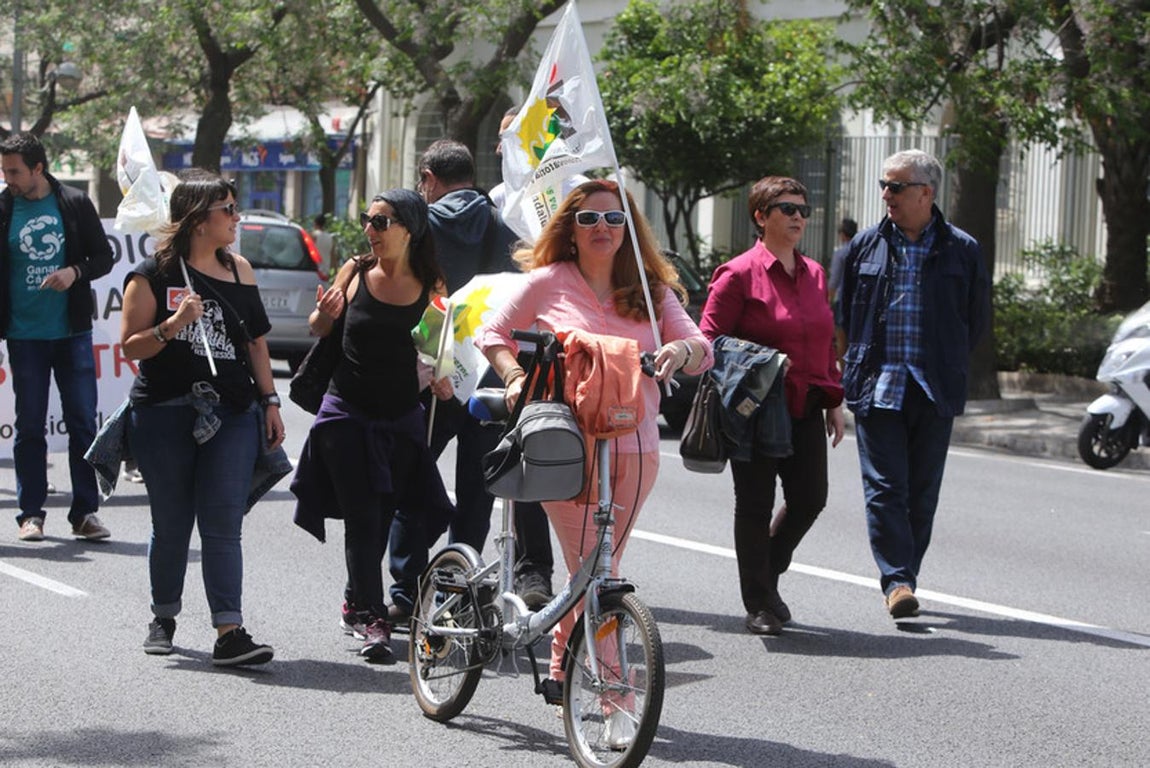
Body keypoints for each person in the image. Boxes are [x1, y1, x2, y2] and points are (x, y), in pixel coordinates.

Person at [476, 178, 712, 714]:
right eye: (589, 220)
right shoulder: (546, 281)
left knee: (598, 566)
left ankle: (562, 660)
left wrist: (678, 350)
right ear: (571, 229)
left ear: (629, 229)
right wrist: (513, 377)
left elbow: (702, 348)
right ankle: (615, 701)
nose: (602, 229)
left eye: (614, 219)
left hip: (634, 447)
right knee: (593, 566)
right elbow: (492, 332)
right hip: (563, 445)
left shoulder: (653, 292)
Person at [120, 170, 285, 665]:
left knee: (222, 523)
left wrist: (271, 400)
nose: (237, 218)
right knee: (171, 523)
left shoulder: (239, 270)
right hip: (165, 411)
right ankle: (164, 614)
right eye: (228, 210)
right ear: (197, 220)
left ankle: (229, 632)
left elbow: (256, 342)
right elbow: (131, 345)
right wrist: (172, 325)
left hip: (232, 410)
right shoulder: (151, 275)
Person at [389, 138, 554, 619]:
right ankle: (458, 592)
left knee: (413, 481)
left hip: (433, 372)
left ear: (428, 179)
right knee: (479, 491)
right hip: (493, 374)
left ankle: (404, 593)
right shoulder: (508, 227)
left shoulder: (419, 227)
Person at [291, 189, 455, 664]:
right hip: (347, 414)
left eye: (382, 222)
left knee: (387, 518)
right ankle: (372, 617)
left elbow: (436, 352)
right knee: (363, 519)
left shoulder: (432, 286)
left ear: (411, 229)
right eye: (369, 220)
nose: (371, 230)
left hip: (402, 417)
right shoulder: (356, 272)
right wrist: (326, 312)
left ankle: (354, 598)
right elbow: (318, 328)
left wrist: (442, 381)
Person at [840, 149, 990, 619]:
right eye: (884, 185)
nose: (886, 194)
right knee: (885, 488)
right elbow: (843, 316)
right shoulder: (862, 247)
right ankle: (897, 580)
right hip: (877, 385)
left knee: (923, 491)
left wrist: (946, 360)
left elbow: (976, 320)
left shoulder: (962, 249)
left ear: (926, 193)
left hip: (933, 387)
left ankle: (906, 573)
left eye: (896, 186)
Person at [699, 176, 845, 636]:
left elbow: (825, 344)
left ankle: (767, 569)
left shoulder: (815, 273)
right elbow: (707, 341)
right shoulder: (738, 274)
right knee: (755, 504)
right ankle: (758, 601)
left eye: (803, 208)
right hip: (757, 409)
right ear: (761, 217)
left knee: (810, 498)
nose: (798, 216)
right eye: (786, 208)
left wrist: (834, 400)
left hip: (806, 403)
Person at [0, 132, 113, 542]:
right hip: (23, 335)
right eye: (4, 170)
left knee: (83, 421)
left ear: (38, 169)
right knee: (30, 424)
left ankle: (85, 512)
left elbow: (104, 257)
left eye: (14, 171)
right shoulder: (4, 206)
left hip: (72, 333)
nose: (7, 178)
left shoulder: (74, 203)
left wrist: (74, 272)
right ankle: (31, 514)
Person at [827, 217, 857, 361]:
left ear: (843, 234)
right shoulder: (861, 249)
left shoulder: (840, 253)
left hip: (842, 299)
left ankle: (843, 375)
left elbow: (834, 281)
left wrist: (828, 300)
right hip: (858, 299)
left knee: (841, 340)